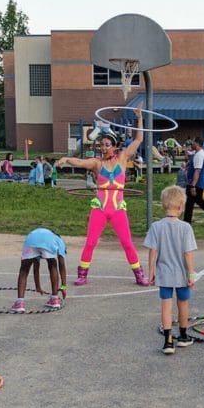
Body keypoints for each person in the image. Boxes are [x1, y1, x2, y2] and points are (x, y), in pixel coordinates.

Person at [56, 103, 150, 286]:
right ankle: (82, 274)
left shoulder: (122, 158)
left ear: (115, 147)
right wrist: (66, 158)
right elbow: (80, 162)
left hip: (117, 209)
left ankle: (139, 274)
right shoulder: (97, 163)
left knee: (127, 243)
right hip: (100, 208)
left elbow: (138, 139)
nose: (103, 147)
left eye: (107, 145)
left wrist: (139, 117)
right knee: (90, 242)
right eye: (101, 145)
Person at [144, 185, 197, 355]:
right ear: (181, 207)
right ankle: (182, 336)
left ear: (163, 205)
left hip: (164, 273)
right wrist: (191, 274)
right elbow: (188, 253)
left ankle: (168, 341)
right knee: (183, 303)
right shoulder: (185, 228)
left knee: (166, 305)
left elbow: (153, 251)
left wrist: (151, 272)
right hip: (181, 273)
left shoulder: (156, 227)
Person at [11, 228, 67, 313]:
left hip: (31, 240)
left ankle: (19, 304)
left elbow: (36, 267)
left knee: (24, 270)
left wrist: (38, 287)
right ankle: (55, 299)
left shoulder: (47, 235)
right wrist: (63, 286)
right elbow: (62, 265)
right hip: (47, 242)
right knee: (53, 265)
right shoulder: (60, 241)